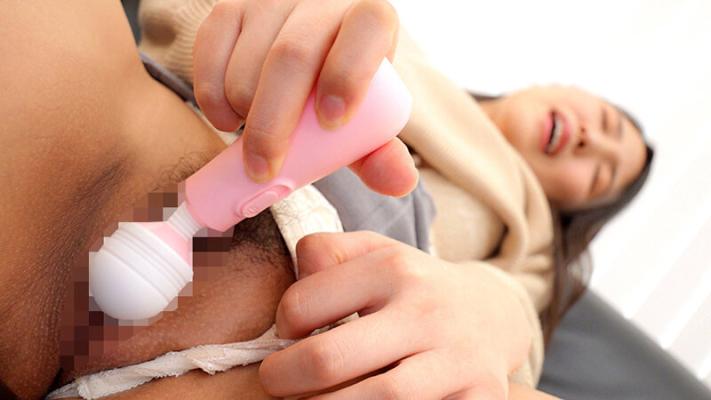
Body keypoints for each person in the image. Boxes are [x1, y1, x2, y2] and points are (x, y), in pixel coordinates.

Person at [0, 1, 651, 399]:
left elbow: (518, 323)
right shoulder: (392, 41)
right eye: (606, 124)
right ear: (559, 85)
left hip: (320, 348)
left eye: (599, 173)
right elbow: (187, 20)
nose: (589, 141)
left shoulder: (529, 234)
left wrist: (490, 313)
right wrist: (264, 27)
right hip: (113, 157)